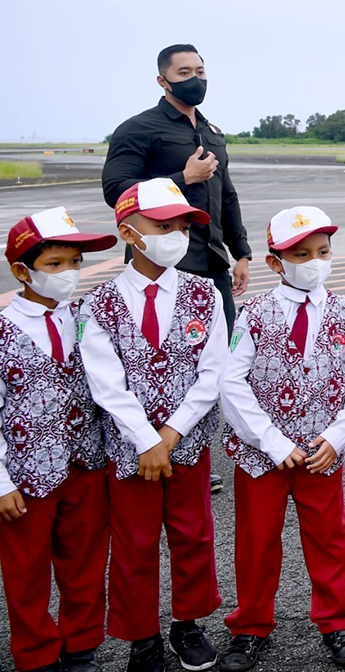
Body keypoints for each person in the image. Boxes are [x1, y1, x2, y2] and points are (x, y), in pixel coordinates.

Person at [218, 207, 345, 670]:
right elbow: (232, 381)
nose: (314, 261)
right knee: (256, 542)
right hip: (261, 456)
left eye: (322, 252)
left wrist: (335, 436)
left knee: (329, 538)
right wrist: (271, 441)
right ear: (275, 262)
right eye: (300, 254)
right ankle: (249, 626)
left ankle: (339, 621)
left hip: (321, 452)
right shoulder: (254, 313)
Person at [79, 178, 226, 672]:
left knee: (193, 533)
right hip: (129, 451)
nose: (176, 235)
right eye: (163, 225)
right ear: (129, 232)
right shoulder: (97, 304)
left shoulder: (204, 293)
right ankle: (141, 634)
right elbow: (105, 382)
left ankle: (188, 622)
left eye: (182, 225)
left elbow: (213, 371)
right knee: (135, 542)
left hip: (185, 444)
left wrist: (172, 432)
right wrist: (145, 439)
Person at [102, 43, 251, 494]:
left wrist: (240, 251)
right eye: (185, 71)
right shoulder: (140, 129)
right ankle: (151, 447)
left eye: (201, 70)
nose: (196, 78)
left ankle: (199, 453)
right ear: (163, 80)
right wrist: (181, 179)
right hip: (161, 262)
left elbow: (226, 194)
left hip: (210, 260)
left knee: (217, 362)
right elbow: (116, 189)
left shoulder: (212, 131)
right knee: (161, 365)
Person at [0, 210, 116, 672]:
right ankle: (35, 652)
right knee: (26, 569)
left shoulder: (88, 318)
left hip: (86, 462)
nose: (68, 273)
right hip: (26, 473)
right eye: (55, 264)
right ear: (22, 272)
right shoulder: (4, 330)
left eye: (75, 262)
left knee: (86, 560)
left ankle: (81, 644)